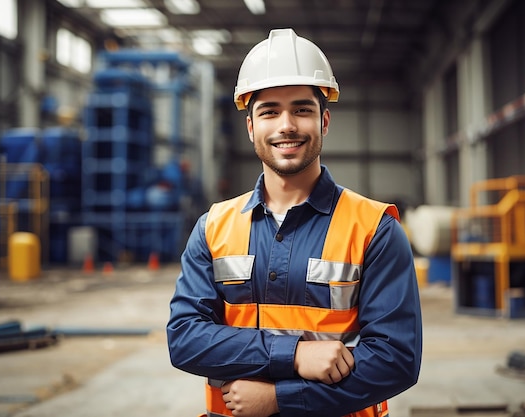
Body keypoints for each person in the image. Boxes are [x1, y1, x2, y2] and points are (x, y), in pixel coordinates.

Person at [167, 28, 422, 417]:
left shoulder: (375, 229)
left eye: (302, 109)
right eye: (269, 111)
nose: (286, 125)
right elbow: (185, 340)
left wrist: (280, 400)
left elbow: (395, 360)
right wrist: (296, 355)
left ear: (325, 120)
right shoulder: (213, 227)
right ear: (251, 127)